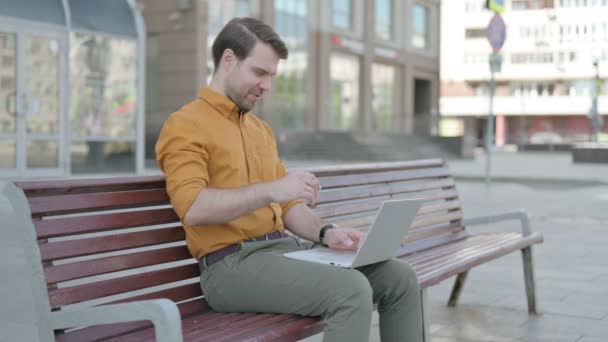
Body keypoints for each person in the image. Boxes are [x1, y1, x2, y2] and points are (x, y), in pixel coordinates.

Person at [156, 17, 422, 342]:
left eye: (271, 76)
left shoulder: (259, 131)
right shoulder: (185, 125)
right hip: (230, 267)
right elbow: (193, 207)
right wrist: (272, 189)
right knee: (350, 291)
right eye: (259, 72)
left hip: (283, 253)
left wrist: (327, 233)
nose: (267, 85)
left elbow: (288, 206)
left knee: (399, 276)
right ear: (228, 60)